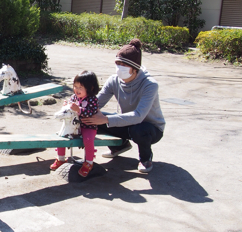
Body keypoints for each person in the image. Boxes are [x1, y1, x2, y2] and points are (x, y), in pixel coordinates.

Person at [81, 39, 165, 173]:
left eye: (124, 65)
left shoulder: (150, 85)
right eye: (118, 63)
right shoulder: (113, 80)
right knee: (91, 118)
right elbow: (96, 104)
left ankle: (145, 158)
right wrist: (78, 108)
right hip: (128, 124)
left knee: (139, 129)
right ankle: (119, 146)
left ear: (134, 68)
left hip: (150, 128)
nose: (119, 67)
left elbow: (139, 116)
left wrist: (106, 119)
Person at [50, 71, 100, 177]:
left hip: (87, 126)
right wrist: (66, 106)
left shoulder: (93, 99)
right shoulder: (74, 97)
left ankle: (89, 162)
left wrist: (79, 110)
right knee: (62, 135)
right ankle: (61, 158)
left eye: (80, 87)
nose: (77, 89)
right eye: (75, 86)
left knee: (88, 140)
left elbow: (91, 112)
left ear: (90, 87)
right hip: (73, 125)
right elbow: (69, 109)